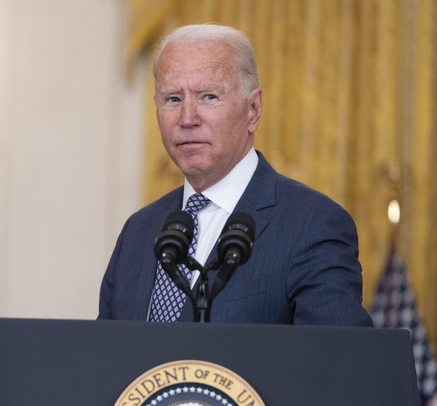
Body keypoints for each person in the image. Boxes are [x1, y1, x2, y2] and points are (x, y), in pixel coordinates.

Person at [98, 24, 373, 327]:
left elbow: (337, 366)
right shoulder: (138, 231)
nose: (187, 119)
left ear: (253, 110)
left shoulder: (311, 224)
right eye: (173, 99)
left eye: (209, 97)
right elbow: (106, 362)